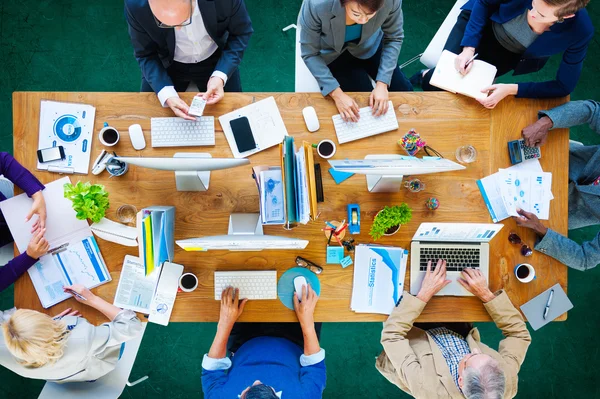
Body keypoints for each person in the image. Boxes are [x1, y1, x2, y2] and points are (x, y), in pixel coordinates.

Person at [376, 260, 531, 398]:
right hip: (457, 333)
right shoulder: (507, 382)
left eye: (470, 358)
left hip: (414, 337)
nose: (475, 350)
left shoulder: (428, 390)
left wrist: (423, 295)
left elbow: (392, 335)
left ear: (461, 380)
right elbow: (519, 335)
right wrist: (485, 294)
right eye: (487, 357)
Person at [412, 0, 593, 109]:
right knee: (442, 82)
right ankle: (424, 76)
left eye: (541, 13)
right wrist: (469, 47)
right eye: (533, 3)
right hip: (481, 25)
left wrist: (511, 89)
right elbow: (483, 3)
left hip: (510, 55)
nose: (531, 12)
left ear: (567, 16)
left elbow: (564, 86)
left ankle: (425, 76)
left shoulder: (581, 32)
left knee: (464, 95)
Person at [124, 0, 253, 120]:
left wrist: (220, 75)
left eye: (184, 21)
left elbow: (241, 33)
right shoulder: (135, 5)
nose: (178, 29)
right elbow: (145, 54)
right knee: (146, 117)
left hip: (216, 60)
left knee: (236, 116)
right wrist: (166, 94)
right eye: (164, 23)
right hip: (166, 64)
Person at [516, 100, 600, 270]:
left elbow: (585, 259)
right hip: (560, 158)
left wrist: (541, 229)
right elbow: (592, 111)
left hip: (560, 210)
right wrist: (546, 123)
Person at [0, 284, 142, 382]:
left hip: (61, 375)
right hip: (92, 366)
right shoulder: (82, 337)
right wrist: (92, 299)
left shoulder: (6, 350)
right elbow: (132, 325)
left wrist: (49, 325)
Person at [201, 286, 326, 398]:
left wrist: (225, 322)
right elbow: (314, 364)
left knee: (237, 284)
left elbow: (212, 369)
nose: (256, 380)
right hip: (297, 337)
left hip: (244, 339)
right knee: (313, 290)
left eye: (251, 387)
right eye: (263, 384)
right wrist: (307, 320)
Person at [299, 0, 413, 122]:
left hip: (370, 45)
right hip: (333, 54)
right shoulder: (317, 4)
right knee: (362, 109)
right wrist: (336, 94)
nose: (363, 21)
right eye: (356, 13)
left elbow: (394, 37)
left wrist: (382, 84)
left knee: (405, 93)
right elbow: (310, 53)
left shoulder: (391, 1)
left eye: (370, 14)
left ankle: (422, 75)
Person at [0, 152, 49, 292]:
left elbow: (3, 161)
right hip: (9, 240)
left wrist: (36, 193)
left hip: (9, 206)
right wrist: (29, 256)